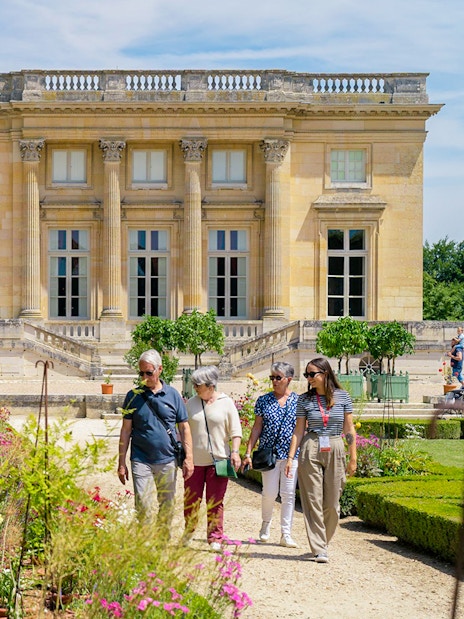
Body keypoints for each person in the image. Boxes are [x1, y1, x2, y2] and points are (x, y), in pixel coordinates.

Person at [285, 357, 357, 563]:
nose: (308, 378)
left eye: (312, 374)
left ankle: (323, 541)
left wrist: (353, 457)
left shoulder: (343, 397)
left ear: (325, 374)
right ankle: (319, 548)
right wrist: (291, 457)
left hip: (335, 445)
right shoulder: (304, 399)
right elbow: (298, 431)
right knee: (313, 500)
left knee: (332, 504)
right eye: (306, 375)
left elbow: (349, 429)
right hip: (311, 445)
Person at [117, 349, 194, 537]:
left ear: (159, 369)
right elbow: (126, 430)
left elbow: (184, 428)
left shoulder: (173, 395)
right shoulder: (132, 396)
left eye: (149, 373)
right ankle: (144, 542)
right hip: (140, 459)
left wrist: (189, 458)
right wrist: (121, 462)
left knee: (166, 503)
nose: (144, 377)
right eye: (141, 373)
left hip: (167, 459)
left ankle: (161, 538)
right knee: (142, 503)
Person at [183, 366, 242, 551]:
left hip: (219, 460)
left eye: (197, 385)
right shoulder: (191, 403)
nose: (195, 388)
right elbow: (183, 430)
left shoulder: (226, 402)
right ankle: (189, 532)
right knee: (191, 500)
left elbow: (236, 431)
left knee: (215, 501)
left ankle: (215, 536)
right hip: (195, 461)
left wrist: (235, 452)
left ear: (210, 385)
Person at [241, 362, 299, 548]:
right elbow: (257, 427)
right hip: (269, 454)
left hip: (291, 455)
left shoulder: (298, 402)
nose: (274, 381)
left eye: (278, 377)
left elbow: (300, 430)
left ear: (289, 379)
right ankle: (266, 524)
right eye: (272, 377)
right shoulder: (263, 400)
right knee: (269, 493)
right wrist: (248, 451)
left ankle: (286, 534)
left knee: (288, 494)